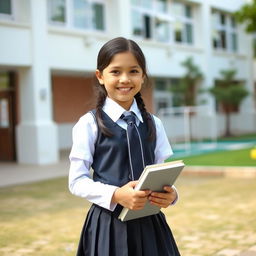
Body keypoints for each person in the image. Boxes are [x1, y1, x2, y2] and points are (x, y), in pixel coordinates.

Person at [69, 37, 180, 256]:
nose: (125, 79)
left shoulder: (154, 123)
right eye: (116, 71)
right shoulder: (89, 124)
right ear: (100, 76)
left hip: (150, 224)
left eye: (134, 71)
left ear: (143, 76)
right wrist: (116, 194)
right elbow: (76, 181)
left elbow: (160, 174)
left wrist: (172, 194)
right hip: (109, 226)